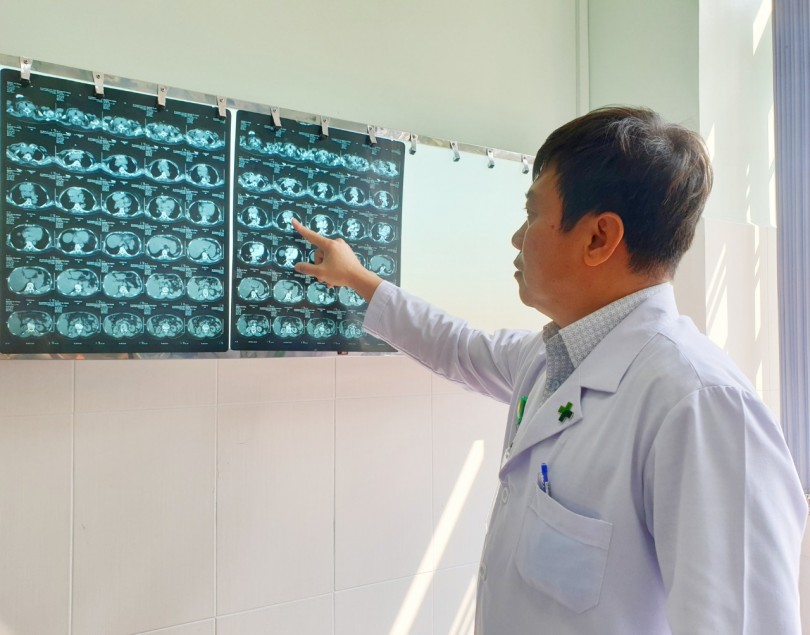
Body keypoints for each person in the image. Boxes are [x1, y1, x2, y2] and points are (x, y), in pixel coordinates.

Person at [292, 106, 807, 634]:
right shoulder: (552, 359)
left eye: (532, 214)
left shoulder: (699, 407)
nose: (518, 238)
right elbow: (457, 345)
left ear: (599, 238)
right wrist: (357, 278)